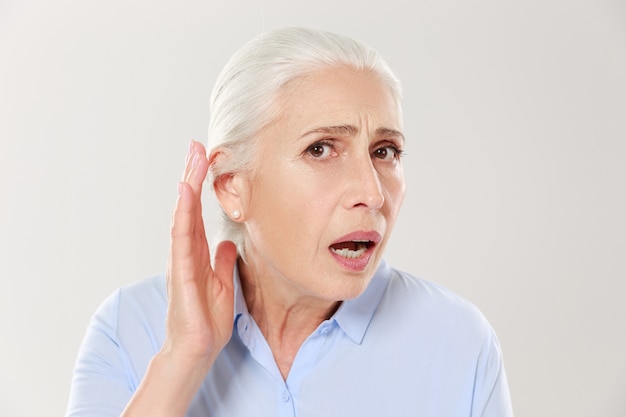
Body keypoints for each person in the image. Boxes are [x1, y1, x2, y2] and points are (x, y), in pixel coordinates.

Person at [66, 27, 514, 417]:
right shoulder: (130, 327)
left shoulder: (458, 342)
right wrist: (183, 359)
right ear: (231, 186)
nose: (373, 194)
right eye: (321, 149)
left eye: (385, 151)